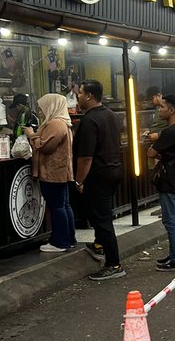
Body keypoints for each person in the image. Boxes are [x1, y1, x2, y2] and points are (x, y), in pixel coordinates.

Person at [74, 80, 125, 281]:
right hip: (113, 171)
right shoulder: (111, 115)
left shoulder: (89, 121)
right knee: (101, 216)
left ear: (88, 96)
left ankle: (114, 264)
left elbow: (86, 157)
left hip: (98, 175)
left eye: (80, 93)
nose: (78, 97)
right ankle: (98, 244)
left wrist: (78, 181)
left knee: (102, 220)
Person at [25, 93, 76, 251]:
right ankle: (68, 239)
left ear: (52, 106)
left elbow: (46, 147)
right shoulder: (63, 123)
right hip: (60, 172)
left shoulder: (55, 124)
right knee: (64, 205)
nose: (41, 111)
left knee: (57, 207)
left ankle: (60, 242)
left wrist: (31, 135)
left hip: (53, 173)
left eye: (43, 108)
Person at [148, 94, 175, 271]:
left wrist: (155, 147)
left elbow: (150, 153)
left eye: (162, 107)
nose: (159, 110)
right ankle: (173, 254)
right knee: (170, 218)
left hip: (170, 180)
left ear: (171, 110)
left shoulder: (170, 132)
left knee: (170, 220)